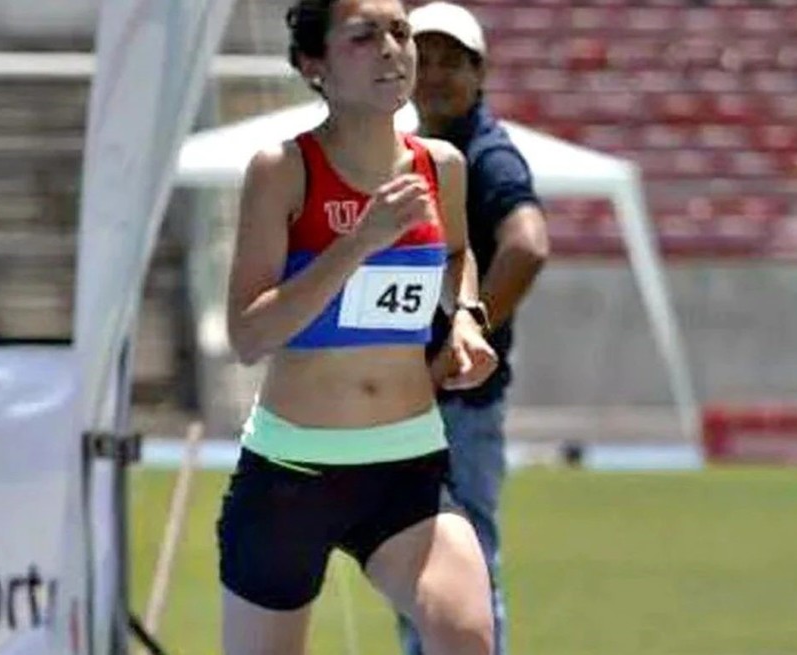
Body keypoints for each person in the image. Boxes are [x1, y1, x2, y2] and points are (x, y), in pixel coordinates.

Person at [217, 0, 502, 653]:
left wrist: (464, 317)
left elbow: (456, 253)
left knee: (466, 635)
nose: (392, 50)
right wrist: (359, 242)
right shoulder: (282, 169)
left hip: (407, 466)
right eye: (363, 36)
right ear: (314, 64)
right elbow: (248, 335)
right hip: (291, 473)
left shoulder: (441, 166)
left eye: (399, 32)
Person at [397, 3, 551, 655]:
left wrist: (467, 329)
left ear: (479, 73)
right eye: (422, 60)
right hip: (420, 401)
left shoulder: (485, 155)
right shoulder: (414, 148)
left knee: (461, 573)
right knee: (420, 572)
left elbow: (528, 244)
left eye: (450, 62)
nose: (433, 75)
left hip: (456, 405)